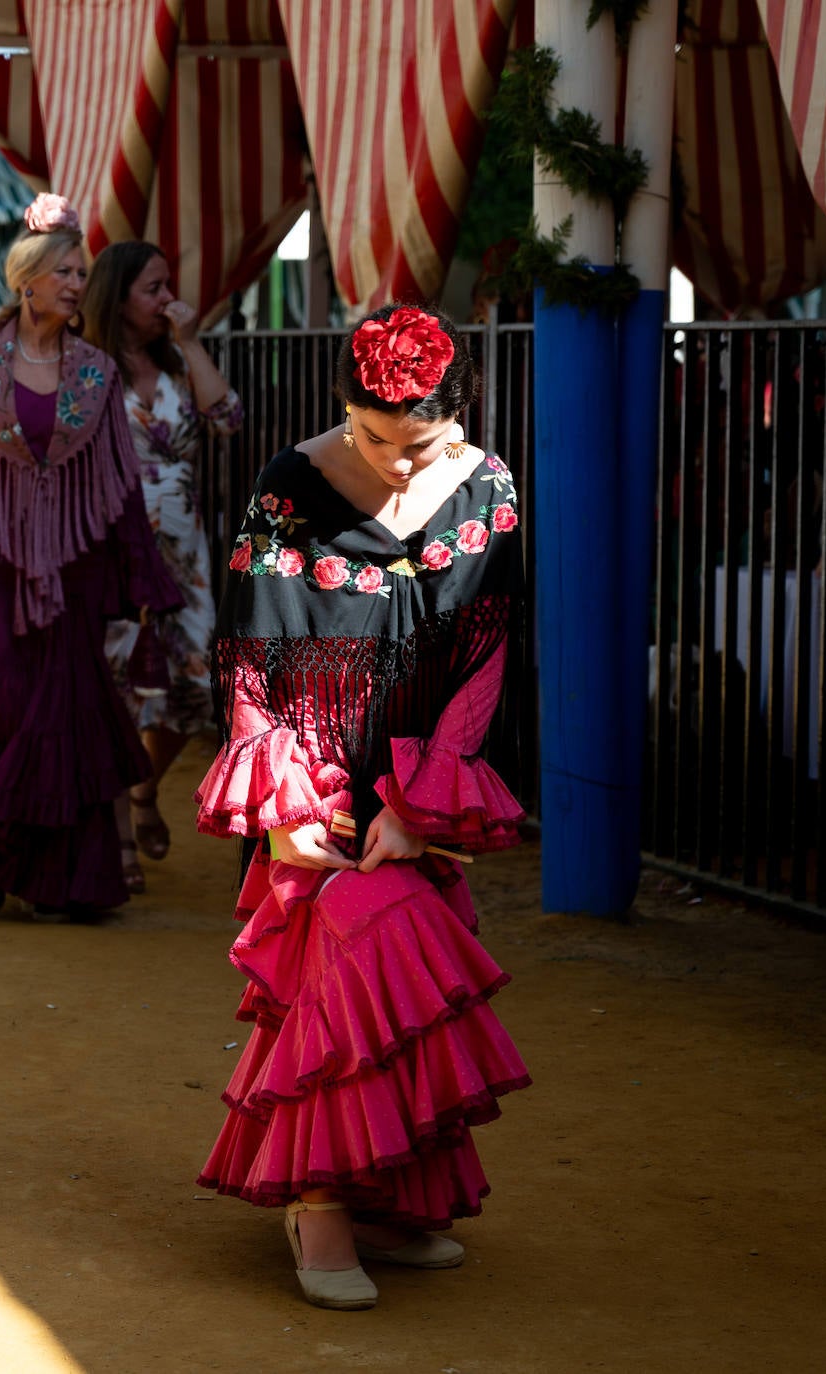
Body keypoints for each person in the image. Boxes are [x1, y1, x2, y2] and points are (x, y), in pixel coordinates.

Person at [193, 303, 532, 1310]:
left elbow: (486, 650)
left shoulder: (491, 490)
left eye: (415, 444)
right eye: (371, 438)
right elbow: (252, 653)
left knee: (402, 980)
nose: (392, 463)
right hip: (312, 764)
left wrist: (426, 805)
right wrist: (279, 808)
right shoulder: (287, 485)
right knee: (339, 958)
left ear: (458, 421)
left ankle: (381, 1196)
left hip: (419, 768)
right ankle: (319, 1201)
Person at [0, 194, 180, 917]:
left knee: (63, 698)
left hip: (73, 553)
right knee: (2, 689)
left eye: (81, 273)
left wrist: (136, 568)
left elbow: (119, 479)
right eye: (64, 272)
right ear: (27, 279)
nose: (76, 285)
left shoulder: (95, 372)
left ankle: (66, 879)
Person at [83, 242, 243, 894]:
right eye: (153, 288)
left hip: (183, 554)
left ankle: (144, 789)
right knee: (113, 688)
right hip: (110, 550)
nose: (166, 297)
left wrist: (192, 339)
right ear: (117, 295)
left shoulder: (177, 364)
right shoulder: (85, 366)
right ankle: (117, 833)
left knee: (195, 688)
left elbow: (228, 419)